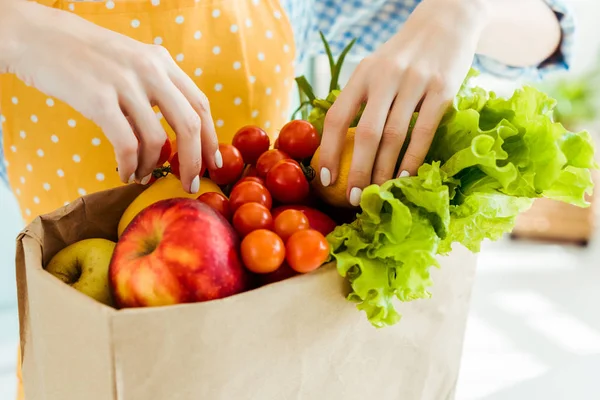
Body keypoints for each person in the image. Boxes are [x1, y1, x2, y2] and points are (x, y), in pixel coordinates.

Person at [0, 0, 573, 398]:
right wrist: (16, 30)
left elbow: (558, 29)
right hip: (89, 372)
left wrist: (463, 9)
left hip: (282, 359)